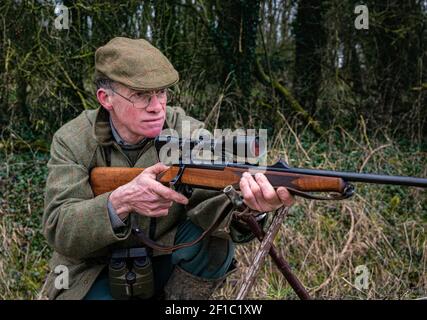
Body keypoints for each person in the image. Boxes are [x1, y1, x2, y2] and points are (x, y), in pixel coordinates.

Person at [42, 37, 294, 300]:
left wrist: (250, 208)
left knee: (214, 244)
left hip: (165, 260)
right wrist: (118, 202)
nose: (156, 107)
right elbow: (59, 227)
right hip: (95, 268)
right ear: (106, 98)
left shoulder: (186, 131)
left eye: (161, 93)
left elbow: (217, 203)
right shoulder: (73, 140)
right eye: (140, 95)